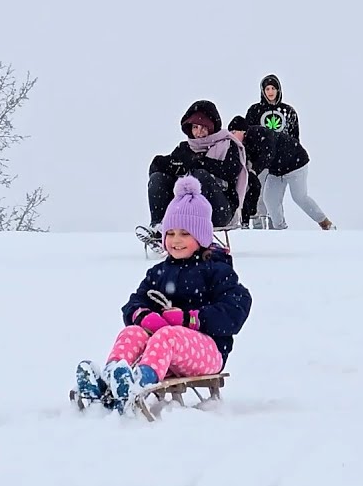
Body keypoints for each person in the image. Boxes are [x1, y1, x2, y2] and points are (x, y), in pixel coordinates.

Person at [76, 175, 253, 412]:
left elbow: (235, 310)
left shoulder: (217, 271)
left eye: (184, 234)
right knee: (133, 332)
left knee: (168, 336)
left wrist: (189, 318)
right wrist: (144, 316)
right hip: (164, 354)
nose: (175, 240)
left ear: (201, 237)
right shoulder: (159, 272)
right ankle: (111, 378)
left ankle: (139, 382)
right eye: (170, 234)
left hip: (208, 352)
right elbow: (134, 303)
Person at [136, 100, 248, 251]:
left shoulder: (227, 145)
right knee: (158, 178)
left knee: (199, 176)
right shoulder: (186, 149)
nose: (199, 132)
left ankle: (184, 226)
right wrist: (171, 165)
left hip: (219, 208)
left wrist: (201, 162)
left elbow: (231, 171)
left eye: (203, 127)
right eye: (195, 127)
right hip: (185, 211)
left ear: (212, 128)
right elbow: (161, 166)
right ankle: (160, 227)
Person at [227, 116, 334, 230]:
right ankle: (280, 229)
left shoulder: (259, 132)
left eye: (233, 132)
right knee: (269, 199)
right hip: (277, 171)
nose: (231, 136)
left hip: (296, 164)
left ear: (243, 130)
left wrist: (254, 171)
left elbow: (268, 153)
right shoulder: (242, 146)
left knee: (299, 197)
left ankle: (325, 223)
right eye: (230, 133)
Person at [245, 73, 300, 140]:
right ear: (263, 91)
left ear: (278, 90)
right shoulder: (254, 110)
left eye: (273, 88)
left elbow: (294, 138)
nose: (270, 92)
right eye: (267, 89)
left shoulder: (289, 112)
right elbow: (248, 135)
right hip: (261, 149)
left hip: (283, 149)